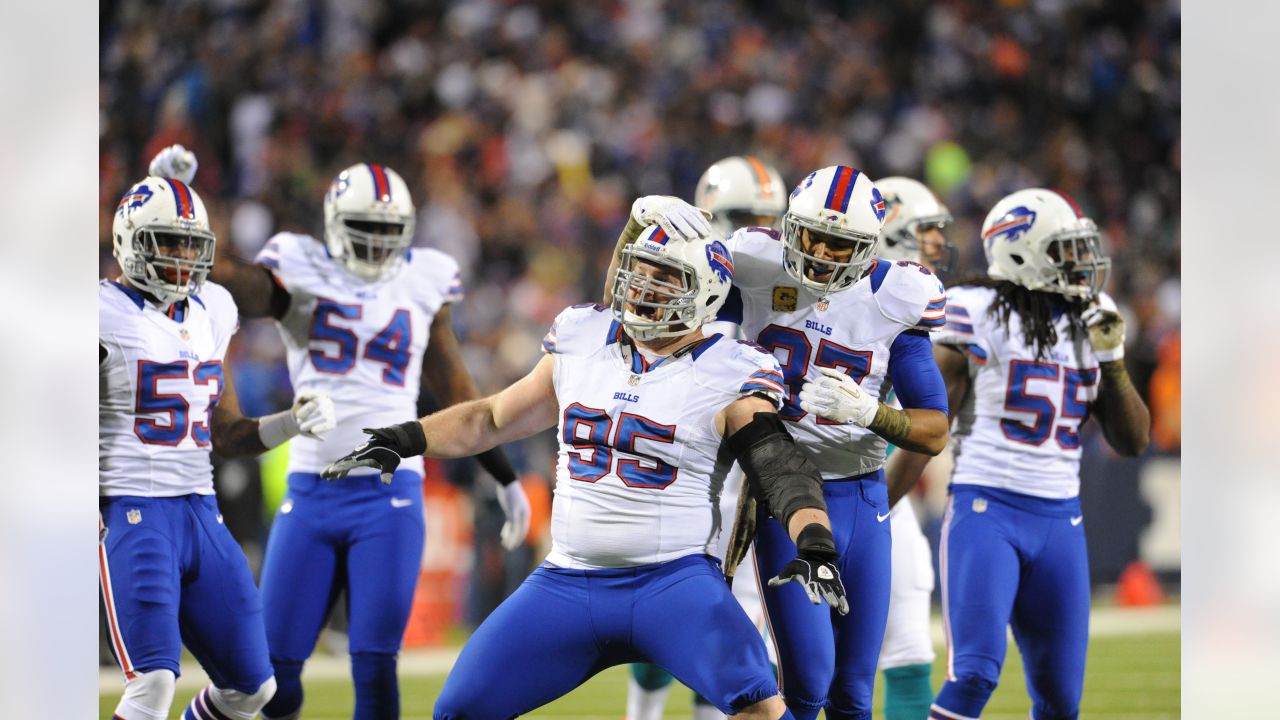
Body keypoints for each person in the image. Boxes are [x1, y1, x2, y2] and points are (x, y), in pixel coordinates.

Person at [325, 225, 850, 719]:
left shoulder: (730, 368)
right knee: (458, 709)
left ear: (707, 293)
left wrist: (816, 543)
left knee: (760, 705)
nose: (644, 282)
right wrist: (407, 438)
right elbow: (489, 418)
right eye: (641, 268)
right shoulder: (584, 336)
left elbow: (780, 467)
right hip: (568, 582)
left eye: (666, 275)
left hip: (672, 581)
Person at [148, 146, 531, 720]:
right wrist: (178, 206)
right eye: (364, 228)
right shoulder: (299, 267)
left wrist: (504, 477)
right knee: (275, 673)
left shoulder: (424, 279)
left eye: (388, 230)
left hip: (391, 493)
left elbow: (457, 389)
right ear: (333, 224)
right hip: (311, 488)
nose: (377, 243)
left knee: (374, 664)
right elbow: (227, 280)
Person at [618, 166, 951, 720]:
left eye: (838, 242)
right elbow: (655, 310)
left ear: (868, 249)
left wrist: (870, 412)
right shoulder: (753, 260)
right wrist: (639, 232)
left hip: (862, 497)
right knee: (808, 684)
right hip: (784, 494)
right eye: (811, 233)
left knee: (853, 694)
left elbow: (933, 429)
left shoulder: (899, 295)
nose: (819, 250)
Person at [878, 188, 1151, 720]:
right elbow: (932, 429)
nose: (1080, 263)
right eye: (1064, 250)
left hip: (1061, 521)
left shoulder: (1093, 316)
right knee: (975, 673)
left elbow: (1133, 440)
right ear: (1022, 252)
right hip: (988, 512)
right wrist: (877, 509)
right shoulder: (973, 310)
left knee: (1060, 702)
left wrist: (1112, 362)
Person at [100, 175, 337, 720]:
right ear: (130, 242)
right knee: (153, 681)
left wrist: (290, 422)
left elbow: (226, 433)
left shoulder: (214, 308)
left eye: (190, 243)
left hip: (201, 513)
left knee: (253, 690)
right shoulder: (101, 313)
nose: (183, 256)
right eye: (167, 242)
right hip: (132, 510)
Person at [625, 154, 789, 720]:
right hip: (675, 469)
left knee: (733, 635)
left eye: (771, 217)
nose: (758, 230)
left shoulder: (783, 288)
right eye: (745, 215)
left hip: (746, 474)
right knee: (653, 615)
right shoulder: (672, 276)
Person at [866, 176, 955, 720]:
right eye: (926, 231)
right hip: (816, 492)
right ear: (893, 235)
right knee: (789, 662)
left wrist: (884, 503)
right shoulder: (831, 308)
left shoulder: (928, 309)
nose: (938, 242)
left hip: (879, 496)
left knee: (909, 648)